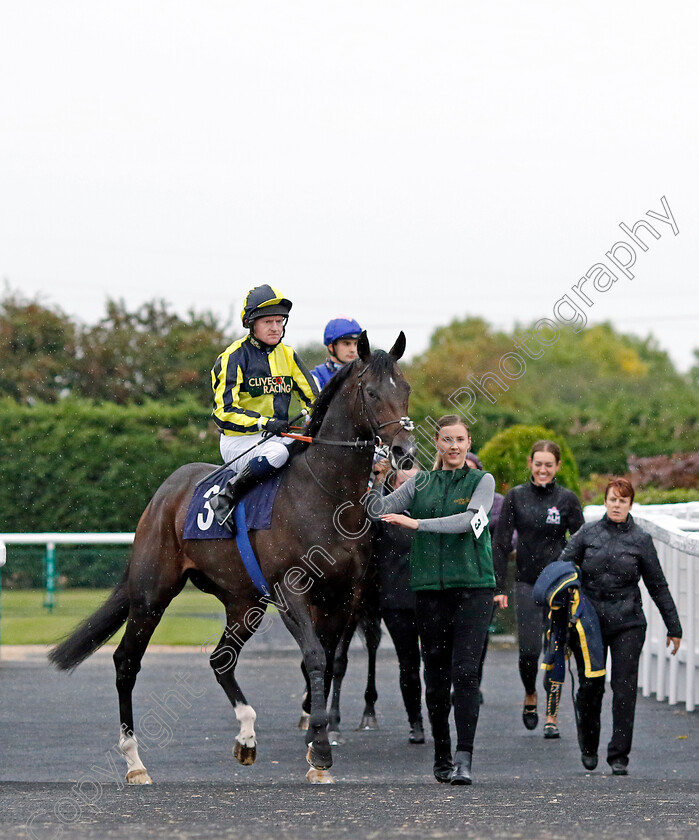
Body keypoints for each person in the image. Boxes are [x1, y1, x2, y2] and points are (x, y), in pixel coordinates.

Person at [368, 415, 506, 786]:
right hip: (429, 591)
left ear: (469, 441)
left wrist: (417, 524)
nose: (455, 447)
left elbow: (467, 522)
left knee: (464, 674)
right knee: (436, 677)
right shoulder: (422, 483)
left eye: (461, 439)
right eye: (448, 440)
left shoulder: (482, 480)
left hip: (474, 588)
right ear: (437, 443)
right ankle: (441, 754)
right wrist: (376, 477)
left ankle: (464, 758)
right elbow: (377, 511)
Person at [557, 477, 682, 775]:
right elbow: (561, 571)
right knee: (591, 686)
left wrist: (673, 626)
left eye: (622, 501)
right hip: (589, 621)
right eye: (612, 499)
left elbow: (658, 586)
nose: (616, 505)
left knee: (624, 688)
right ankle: (589, 745)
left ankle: (619, 754)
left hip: (628, 620)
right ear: (605, 501)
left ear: (630, 505)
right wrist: (558, 618)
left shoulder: (640, 540)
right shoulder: (587, 533)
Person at [493, 440, 584, 738]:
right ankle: (530, 692)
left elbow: (581, 541)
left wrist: (579, 577)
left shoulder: (567, 500)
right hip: (526, 583)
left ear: (557, 467)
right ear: (530, 464)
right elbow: (502, 543)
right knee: (529, 652)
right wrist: (499, 586)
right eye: (538, 463)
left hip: (558, 587)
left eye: (549, 464)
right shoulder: (516, 497)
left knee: (556, 651)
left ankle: (551, 715)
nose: (543, 469)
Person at [209, 285, 318, 531]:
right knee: (277, 455)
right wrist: (263, 422)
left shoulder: (288, 355)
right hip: (239, 442)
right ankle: (226, 496)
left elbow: (313, 399)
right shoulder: (233, 356)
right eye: (268, 321)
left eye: (280, 321)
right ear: (251, 324)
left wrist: (315, 418)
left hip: (278, 436)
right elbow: (222, 413)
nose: (275, 327)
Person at [373, 462, 425, 745]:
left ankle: (439, 715)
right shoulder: (384, 518)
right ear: (395, 487)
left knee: (436, 661)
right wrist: (379, 481)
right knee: (409, 663)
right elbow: (371, 512)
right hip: (397, 601)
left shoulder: (432, 514)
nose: (411, 490)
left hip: (431, 596)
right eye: (404, 484)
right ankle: (415, 720)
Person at [311, 316, 363, 389]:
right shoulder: (317, 378)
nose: (353, 350)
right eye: (346, 344)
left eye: (356, 344)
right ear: (331, 347)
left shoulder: (367, 375)